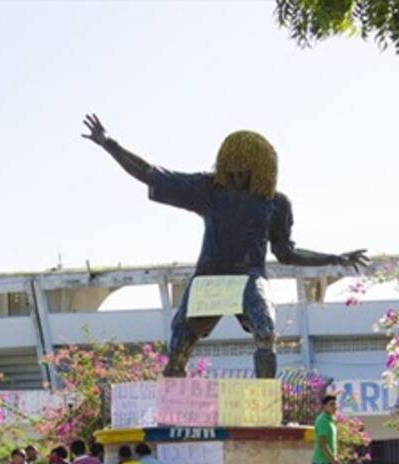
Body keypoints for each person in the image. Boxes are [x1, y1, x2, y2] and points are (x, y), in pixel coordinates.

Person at [81, 114, 367, 379]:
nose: (239, 176)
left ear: (260, 170)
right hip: (210, 277)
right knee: (178, 346)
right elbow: (150, 173)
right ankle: (173, 408)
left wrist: (335, 258)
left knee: (265, 332)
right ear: (225, 165)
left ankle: (265, 404)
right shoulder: (209, 190)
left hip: (249, 278)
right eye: (233, 169)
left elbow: (286, 252)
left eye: (246, 170)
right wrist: (109, 143)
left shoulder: (275, 204)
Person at [312, 394, 339, 464]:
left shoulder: (330, 420)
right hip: (323, 462)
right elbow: (322, 444)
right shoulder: (323, 420)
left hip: (327, 461)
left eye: (335, 404)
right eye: (331, 404)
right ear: (324, 406)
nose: (334, 407)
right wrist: (333, 460)